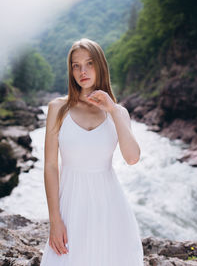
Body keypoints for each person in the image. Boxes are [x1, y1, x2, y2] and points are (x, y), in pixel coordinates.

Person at [40, 38, 144, 265]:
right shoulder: (58, 108)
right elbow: (50, 165)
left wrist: (112, 110)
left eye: (89, 63)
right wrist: (54, 219)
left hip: (110, 206)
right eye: (76, 65)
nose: (82, 71)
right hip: (71, 204)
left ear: (100, 66)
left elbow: (132, 158)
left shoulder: (119, 112)